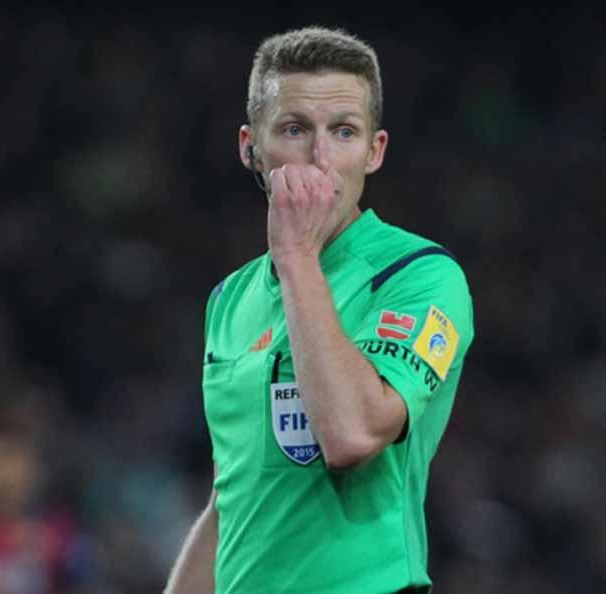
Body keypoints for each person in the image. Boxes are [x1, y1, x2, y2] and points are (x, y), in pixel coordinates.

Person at [164, 26, 474, 594]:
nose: (320, 157)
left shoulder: (418, 276)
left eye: (344, 131)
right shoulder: (229, 300)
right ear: (250, 148)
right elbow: (229, 501)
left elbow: (351, 435)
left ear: (374, 151)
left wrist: (297, 257)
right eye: (294, 129)